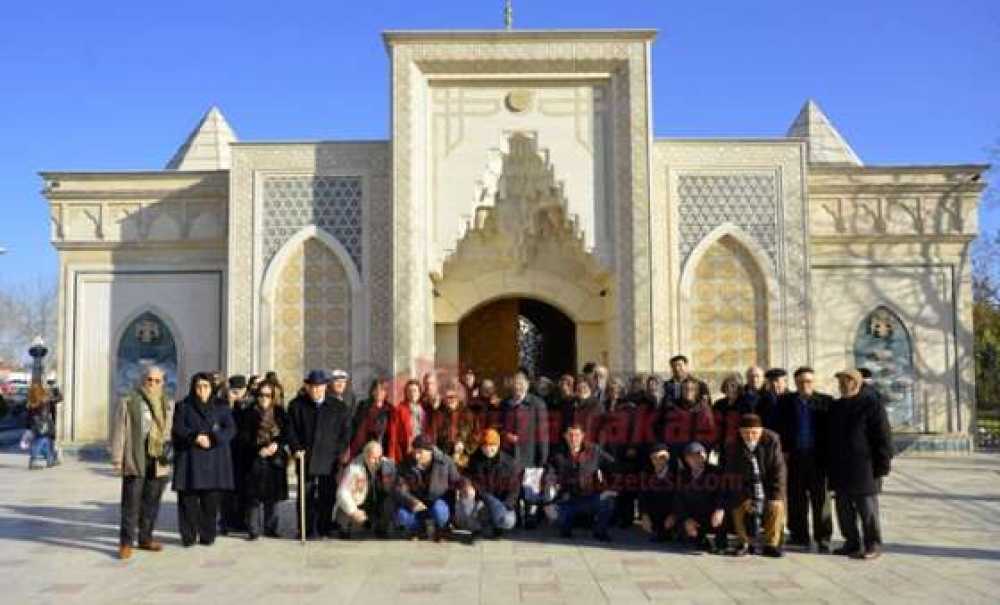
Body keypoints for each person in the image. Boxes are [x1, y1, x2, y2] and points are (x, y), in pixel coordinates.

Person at [828, 369, 893, 560]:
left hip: (864, 468)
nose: (841, 385)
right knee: (844, 510)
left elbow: (883, 437)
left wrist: (883, 464)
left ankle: (872, 544)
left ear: (855, 383)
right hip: (840, 468)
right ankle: (851, 542)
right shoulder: (837, 406)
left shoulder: (871, 405)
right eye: (840, 381)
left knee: (867, 510)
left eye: (845, 381)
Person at [111, 365, 174, 559]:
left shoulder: (167, 403)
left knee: (152, 501)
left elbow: (169, 431)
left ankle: (145, 538)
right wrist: (117, 458)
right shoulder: (129, 401)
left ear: (162, 383)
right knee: (131, 502)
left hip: (158, 458)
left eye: (157, 380)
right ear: (143, 381)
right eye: (150, 380)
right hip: (135, 456)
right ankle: (126, 543)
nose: (153, 384)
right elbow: (120, 431)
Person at [286, 369, 353, 539]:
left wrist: (338, 453)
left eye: (319, 387)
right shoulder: (297, 405)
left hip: (329, 459)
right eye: (312, 387)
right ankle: (306, 529)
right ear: (307, 387)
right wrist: (296, 448)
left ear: (325, 387)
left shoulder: (338, 407)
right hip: (305, 457)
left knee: (327, 495)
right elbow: (290, 430)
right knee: (305, 495)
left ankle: (323, 527)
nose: (316, 390)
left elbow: (345, 434)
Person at [172, 372, 236, 547]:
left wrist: (213, 438)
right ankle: (189, 536)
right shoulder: (183, 406)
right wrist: (194, 437)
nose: (202, 390)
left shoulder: (221, 406)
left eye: (206, 386)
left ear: (211, 388)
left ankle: (208, 535)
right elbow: (178, 428)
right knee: (188, 502)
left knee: (210, 502)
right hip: (190, 460)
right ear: (193, 387)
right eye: (199, 386)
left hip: (214, 459)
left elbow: (230, 429)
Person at [773, 366, 833, 552]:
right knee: (796, 498)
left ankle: (823, 537)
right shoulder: (785, 402)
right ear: (795, 383)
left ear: (813, 382)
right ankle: (799, 535)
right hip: (795, 457)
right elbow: (778, 427)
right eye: (800, 382)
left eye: (808, 381)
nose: (805, 385)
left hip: (818, 458)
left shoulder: (826, 402)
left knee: (821, 500)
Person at [723, 414, 787, 558]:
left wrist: (774, 497)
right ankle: (744, 542)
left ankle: (771, 544)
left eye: (754, 433)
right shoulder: (733, 445)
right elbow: (732, 476)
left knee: (776, 505)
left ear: (761, 431)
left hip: (767, 487)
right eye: (746, 433)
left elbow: (779, 471)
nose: (750, 436)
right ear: (740, 432)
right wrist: (746, 498)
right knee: (737, 504)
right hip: (745, 488)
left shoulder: (772, 440)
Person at [236, 380, 289, 540]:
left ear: (273, 396)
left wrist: (277, 444)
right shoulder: (248, 412)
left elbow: (287, 433)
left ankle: (271, 527)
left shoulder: (279, 412)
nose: (264, 398)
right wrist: (259, 449)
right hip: (254, 458)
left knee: (272, 497)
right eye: (261, 395)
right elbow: (243, 437)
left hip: (275, 459)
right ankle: (253, 529)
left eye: (268, 395)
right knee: (253, 496)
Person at [544, 423, 616, 541]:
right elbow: (549, 473)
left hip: (590, 497)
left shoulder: (594, 450)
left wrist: (609, 486)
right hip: (567, 498)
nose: (573, 439)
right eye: (570, 435)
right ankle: (566, 526)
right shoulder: (557, 454)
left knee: (608, 501)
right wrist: (548, 499)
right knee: (556, 516)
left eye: (577, 435)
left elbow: (613, 465)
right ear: (565, 436)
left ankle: (600, 531)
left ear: (583, 436)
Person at [500, 370, 549, 526]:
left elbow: (543, 432)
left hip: (530, 453)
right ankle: (515, 518)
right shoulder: (505, 404)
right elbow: (499, 427)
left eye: (521, 383)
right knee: (513, 487)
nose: (518, 386)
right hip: (509, 454)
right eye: (515, 383)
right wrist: (505, 435)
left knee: (530, 489)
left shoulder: (537, 404)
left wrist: (543, 457)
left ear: (527, 385)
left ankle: (530, 518)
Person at [396, 434, 462, 541]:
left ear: (430, 451)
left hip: (439, 500)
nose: (416, 455)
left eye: (420, 452)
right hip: (418, 503)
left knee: (439, 511)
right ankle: (418, 529)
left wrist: (465, 487)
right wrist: (412, 502)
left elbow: (457, 480)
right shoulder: (406, 463)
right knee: (401, 515)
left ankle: (442, 528)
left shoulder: (445, 462)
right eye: (415, 451)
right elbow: (399, 488)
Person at [458, 428, 520, 538]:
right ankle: (480, 526)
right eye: (485, 446)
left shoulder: (509, 463)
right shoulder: (474, 460)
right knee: (465, 506)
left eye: (492, 446)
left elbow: (514, 489)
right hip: (482, 500)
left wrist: (504, 506)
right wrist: (468, 486)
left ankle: (496, 526)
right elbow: (467, 476)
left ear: (498, 446)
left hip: (502, 502)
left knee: (507, 520)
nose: (488, 449)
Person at [667, 442, 726, 553]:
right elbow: (678, 500)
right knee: (686, 536)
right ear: (686, 459)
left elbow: (723, 494)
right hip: (692, 516)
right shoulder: (682, 475)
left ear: (704, 456)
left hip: (712, 516)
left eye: (699, 455)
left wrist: (720, 509)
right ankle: (698, 537)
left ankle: (719, 541)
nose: (696, 459)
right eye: (692, 456)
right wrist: (686, 519)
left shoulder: (716, 472)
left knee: (721, 519)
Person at [335, 440, 399, 539]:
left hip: (377, 504)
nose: (377, 462)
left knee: (390, 501)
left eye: (379, 457)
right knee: (348, 517)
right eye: (373, 458)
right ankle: (346, 528)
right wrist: (353, 511)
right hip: (359, 504)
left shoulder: (389, 466)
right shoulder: (353, 468)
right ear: (365, 456)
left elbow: (396, 489)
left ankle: (382, 528)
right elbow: (342, 492)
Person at [220, 375, 250, 536]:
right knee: (226, 491)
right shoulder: (222, 404)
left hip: (244, 453)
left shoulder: (250, 405)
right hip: (226, 452)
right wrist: (230, 404)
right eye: (234, 390)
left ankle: (242, 521)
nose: (237, 393)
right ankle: (226, 522)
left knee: (243, 489)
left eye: (239, 390)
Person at [429, 381, 478, 469]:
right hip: (443, 455)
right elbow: (432, 435)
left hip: (463, 456)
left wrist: (465, 446)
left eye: (452, 397)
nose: (449, 400)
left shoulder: (468, 414)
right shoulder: (438, 414)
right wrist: (438, 453)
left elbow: (476, 434)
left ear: (458, 397)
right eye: (446, 397)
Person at [638, 443, 674, 543]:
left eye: (662, 457)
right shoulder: (647, 473)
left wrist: (674, 515)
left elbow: (679, 498)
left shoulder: (676, 473)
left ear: (668, 458)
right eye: (654, 457)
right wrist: (644, 515)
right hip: (654, 513)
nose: (658, 460)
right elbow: (642, 496)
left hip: (671, 512)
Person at [351, 378, 395, 457]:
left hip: (381, 448)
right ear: (372, 391)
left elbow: (391, 433)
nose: (379, 392)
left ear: (386, 393)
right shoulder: (363, 406)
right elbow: (355, 426)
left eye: (382, 390)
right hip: (362, 447)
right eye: (376, 389)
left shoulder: (390, 409)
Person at [388, 378, 428, 462]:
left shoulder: (424, 409)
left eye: (415, 390)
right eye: (409, 391)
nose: (412, 393)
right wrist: (391, 455)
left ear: (420, 393)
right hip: (405, 450)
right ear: (405, 393)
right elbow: (393, 434)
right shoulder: (399, 409)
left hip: (422, 449)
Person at [712, 373, 743, 468]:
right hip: (722, 444)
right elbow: (714, 425)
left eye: (733, 385)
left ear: (739, 387)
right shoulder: (719, 404)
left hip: (740, 444)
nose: (729, 388)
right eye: (727, 385)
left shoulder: (745, 403)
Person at [26, 383, 58, 470]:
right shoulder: (43, 400)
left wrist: (28, 427)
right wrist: (55, 388)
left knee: (45, 442)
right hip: (43, 423)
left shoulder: (31, 401)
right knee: (41, 441)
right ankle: (33, 461)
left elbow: (28, 415)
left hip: (35, 424)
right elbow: (58, 398)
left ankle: (50, 460)